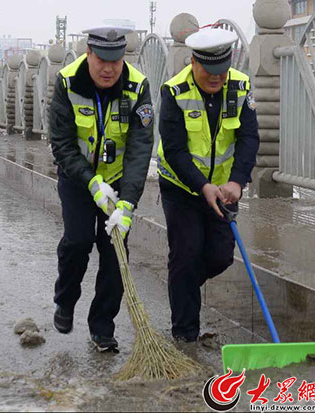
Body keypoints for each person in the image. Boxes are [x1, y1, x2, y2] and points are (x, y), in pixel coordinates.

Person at [50, 26, 154, 352]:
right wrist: (91, 181)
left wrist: (128, 203)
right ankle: (66, 299)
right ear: (88, 55)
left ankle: (102, 327)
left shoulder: (138, 87)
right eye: (102, 61)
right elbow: (62, 143)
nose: (109, 69)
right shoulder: (67, 82)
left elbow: (140, 148)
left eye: (116, 61)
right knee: (78, 241)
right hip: (78, 179)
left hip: (120, 180)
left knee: (115, 254)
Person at [157, 27, 259, 343]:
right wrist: (202, 186)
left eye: (221, 71)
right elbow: (174, 149)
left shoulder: (240, 86)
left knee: (220, 257)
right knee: (186, 253)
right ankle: (185, 333)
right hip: (182, 188)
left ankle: (181, 284)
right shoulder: (174, 92)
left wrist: (237, 182)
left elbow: (248, 137)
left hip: (225, 189)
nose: (216, 78)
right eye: (209, 71)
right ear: (192, 62)